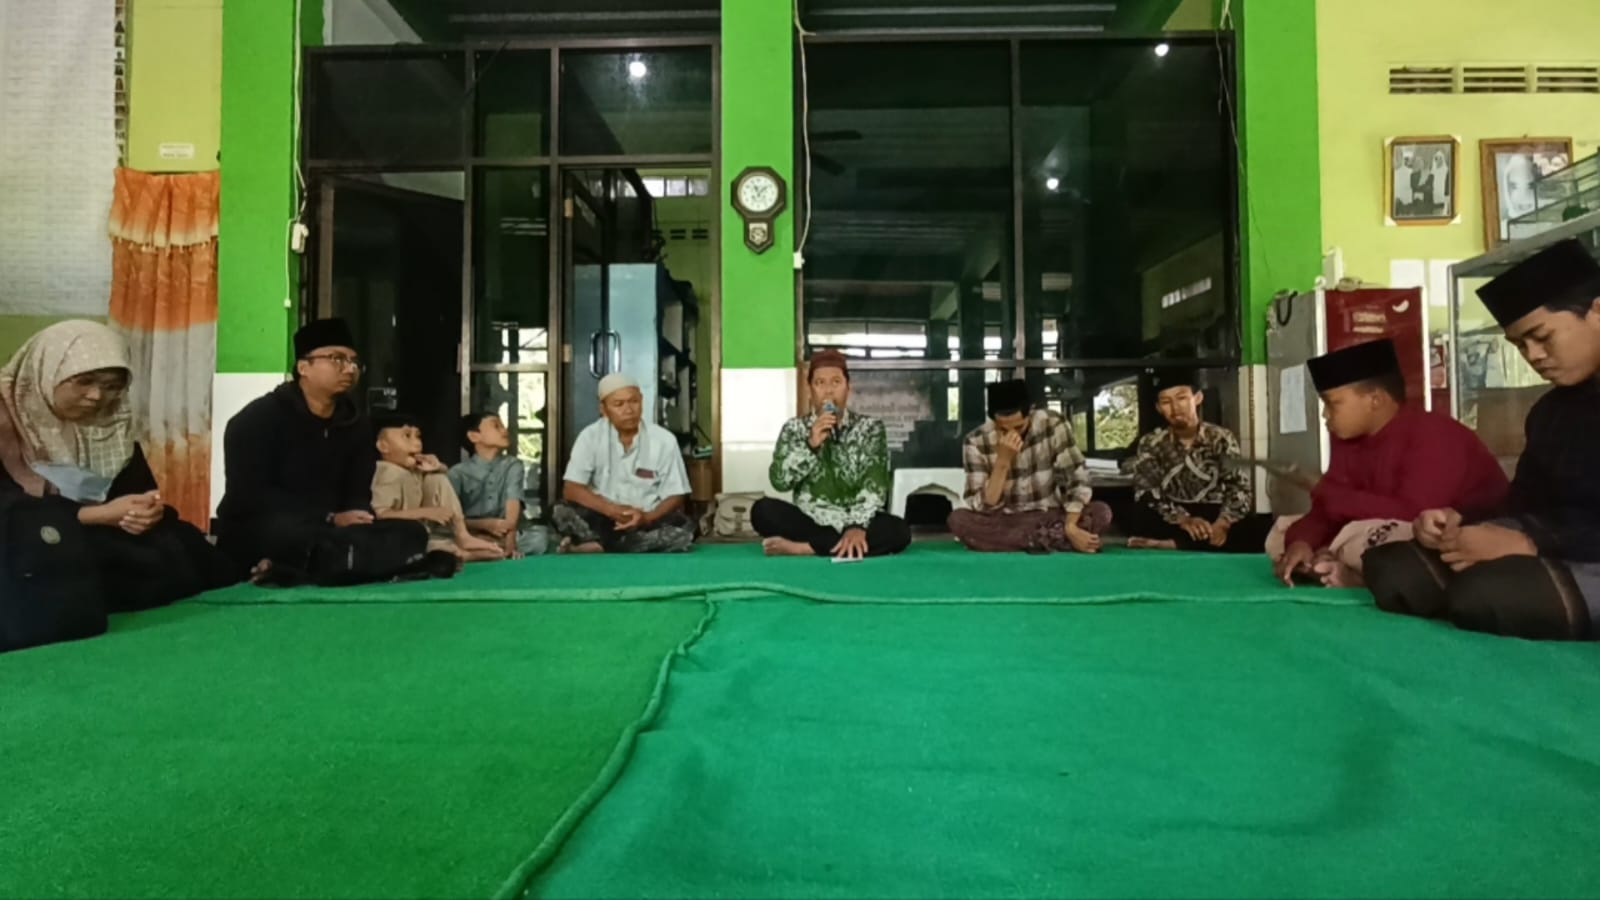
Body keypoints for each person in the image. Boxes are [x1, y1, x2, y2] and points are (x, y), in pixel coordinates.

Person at [1365, 239, 1600, 640]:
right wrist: (1458, 521)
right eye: (1520, 345)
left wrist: (1528, 542)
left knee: (1490, 593)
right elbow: (1523, 502)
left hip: (1579, 549)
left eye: (1542, 337)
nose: (1533, 355)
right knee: (1398, 569)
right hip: (1558, 545)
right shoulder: (1551, 412)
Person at [0, 321, 236, 610]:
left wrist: (145, 511)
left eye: (112, 387)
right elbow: (8, 508)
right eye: (84, 381)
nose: (97, 396)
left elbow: (137, 491)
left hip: (101, 528)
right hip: (28, 534)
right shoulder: (6, 422)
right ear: (46, 372)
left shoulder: (108, 423)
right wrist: (93, 515)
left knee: (181, 540)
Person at [1271, 338, 1508, 588]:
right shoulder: (1348, 440)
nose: (1325, 415)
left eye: (1333, 403)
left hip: (1463, 539)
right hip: (1376, 526)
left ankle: (1344, 567)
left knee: (1379, 537)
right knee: (1281, 534)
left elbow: (1415, 515)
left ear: (1375, 400)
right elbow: (1328, 509)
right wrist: (1301, 543)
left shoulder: (1432, 433)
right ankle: (1331, 562)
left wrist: (1324, 490)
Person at [213, 318, 384, 574]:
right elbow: (251, 496)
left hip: (333, 529)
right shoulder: (257, 419)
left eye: (354, 362)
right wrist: (328, 518)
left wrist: (358, 516)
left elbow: (358, 489)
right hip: (268, 525)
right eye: (337, 359)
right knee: (288, 534)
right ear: (304, 367)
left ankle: (302, 567)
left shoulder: (355, 422)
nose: (350, 369)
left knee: (409, 533)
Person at [753, 349, 911, 559]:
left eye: (836, 382)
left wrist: (856, 525)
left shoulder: (870, 428)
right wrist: (810, 446)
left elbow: (875, 486)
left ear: (848, 388)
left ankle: (808, 548)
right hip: (811, 520)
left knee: (899, 531)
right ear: (810, 390)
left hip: (857, 519)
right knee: (762, 510)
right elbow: (780, 481)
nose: (828, 391)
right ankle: (834, 545)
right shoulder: (794, 428)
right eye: (820, 383)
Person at [948, 378, 1112, 554]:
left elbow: (1077, 478)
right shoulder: (975, 441)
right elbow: (982, 506)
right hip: (1006, 519)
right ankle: (1051, 539)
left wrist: (1070, 527)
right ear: (993, 420)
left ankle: (1033, 539)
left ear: (1030, 412)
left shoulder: (1053, 423)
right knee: (958, 520)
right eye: (1003, 429)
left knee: (1101, 512)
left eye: (1019, 427)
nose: (1013, 434)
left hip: (1050, 513)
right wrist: (1003, 462)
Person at [1123, 370, 1274, 553]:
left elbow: (1238, 487)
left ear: (1198, 398)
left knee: (1262, 531)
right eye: (1166, 402)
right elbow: (1147, 491)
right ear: (1158, 408)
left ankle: (1172, 545)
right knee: (1137, 515)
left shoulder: (1221, 437)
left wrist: (1223, 523)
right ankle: (1192, 543)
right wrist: (1184, 520)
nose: (1175, 407)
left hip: (1214, 512)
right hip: (1172, 515)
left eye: (1181, 398)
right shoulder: (1151, 442)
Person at [553, 373, 695, 554]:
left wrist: (647, 517)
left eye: (634, 402)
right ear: (603, 409)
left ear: (642, 401)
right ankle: (623, 544)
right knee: (560, 511)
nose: (628, 410)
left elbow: (676, 494)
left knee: (684, 530)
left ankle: (600, 545)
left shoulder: (664, 440)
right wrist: (612, 510)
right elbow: (572, 489)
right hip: (603, 517)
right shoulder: (589, 437)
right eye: (618, 404)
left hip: (646, 519)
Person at [372, 412, 504, 563]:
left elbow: (441, 478)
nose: (417, 443)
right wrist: (426, 512)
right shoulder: (388, 472)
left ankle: (462, 535)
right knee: (431, 548)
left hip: (421, 532)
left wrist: (437, 466)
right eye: (407, 436)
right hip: (396, 537)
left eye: (418, 436)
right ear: (383, 446)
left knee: (436, 477)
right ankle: (462, 554)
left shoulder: (412, 469)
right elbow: (381, 514)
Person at [449, 411, 535, 558]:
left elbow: (513, 502)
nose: (504, 430)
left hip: (507, 532)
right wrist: (485, 524)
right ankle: (486, 546)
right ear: (474, 436)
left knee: (540, 538)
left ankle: (489, 549)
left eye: (503, 425)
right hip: (470, 532)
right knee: (445, 539)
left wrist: (510, 541)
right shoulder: (457, 473)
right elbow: (453, 519)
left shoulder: (513, 465)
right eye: (496, 426)